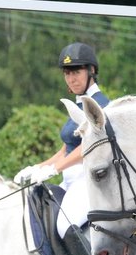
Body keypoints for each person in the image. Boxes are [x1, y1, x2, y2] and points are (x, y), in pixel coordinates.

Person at [14, 42, 111, 237]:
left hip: (89, 180)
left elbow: (86, 147)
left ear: (91, 71)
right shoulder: (79, 104)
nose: (71, 79)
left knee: (65, 226)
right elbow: (66, 149)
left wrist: (54, 170)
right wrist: (38, 167)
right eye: (67, 73)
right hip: (70, 180)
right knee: (39, 218)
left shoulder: (98, 105)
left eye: (76, 72)